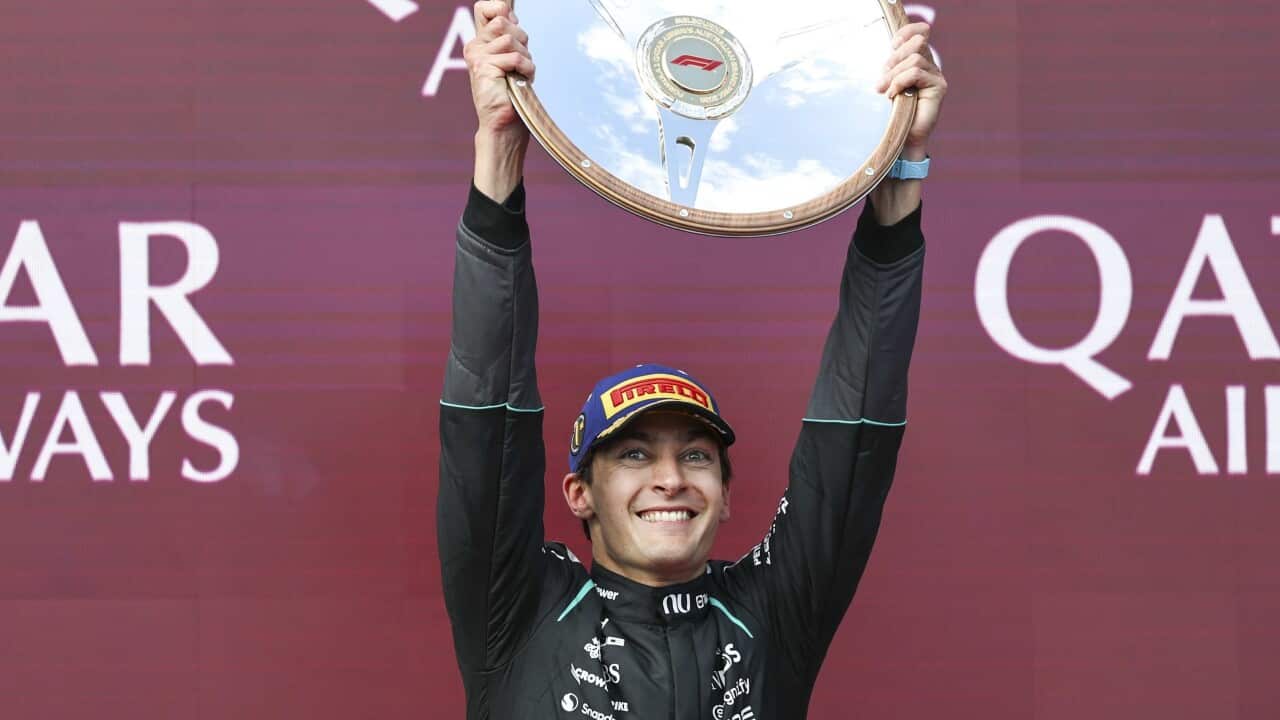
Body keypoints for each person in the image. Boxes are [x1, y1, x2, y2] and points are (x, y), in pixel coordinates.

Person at [437, 3, 947, 718]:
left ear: (728, 495)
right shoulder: (518, 610)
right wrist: (498, 149)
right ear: (579, 493)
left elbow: (855, 432)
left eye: (698, 456)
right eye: (634, 454)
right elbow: (488, 416)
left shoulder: (772, 613)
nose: (672, 479)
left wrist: (897, 168)